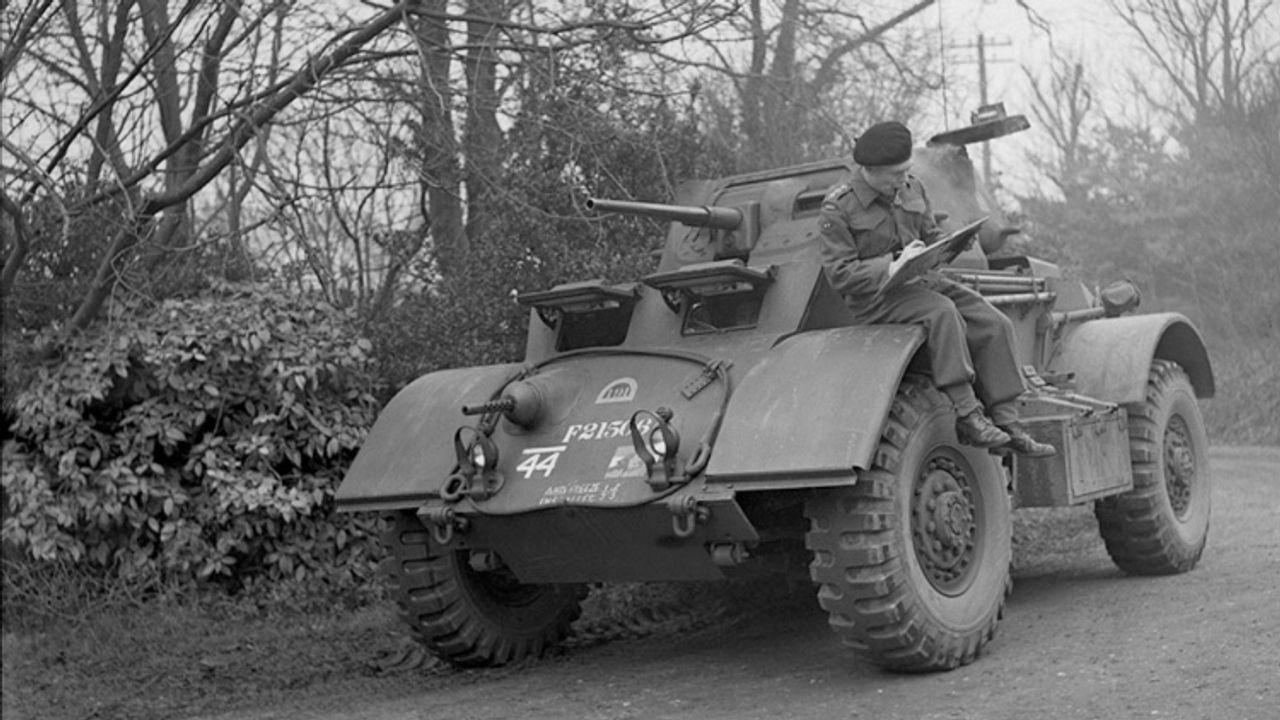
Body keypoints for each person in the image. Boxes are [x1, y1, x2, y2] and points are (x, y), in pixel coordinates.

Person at [818, 120, 1055, 457]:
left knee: (994, 322)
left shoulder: (911, 188)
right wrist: (891, 264)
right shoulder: (838, 207)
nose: (902, 179)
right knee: (942, 313)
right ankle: (968, 414)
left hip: (922, 282)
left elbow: (929, 233)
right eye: (894, 174)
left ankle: (1007, 421)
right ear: (870, 169)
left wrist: (952, 242)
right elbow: (840, 275)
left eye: (905, 171)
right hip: (874, 299)